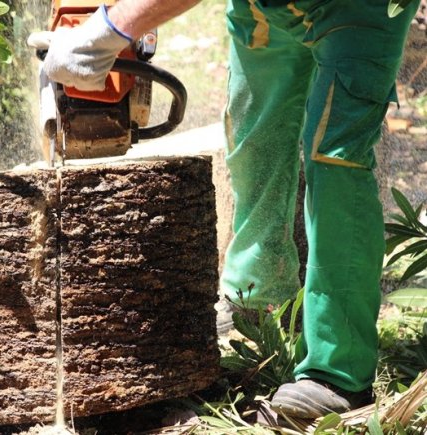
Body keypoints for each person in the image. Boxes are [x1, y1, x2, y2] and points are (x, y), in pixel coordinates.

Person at [28, 0, 420, 419]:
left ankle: (337, 372)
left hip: (356, 9)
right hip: (265, 8)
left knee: (335, 159)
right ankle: (258, 306)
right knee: (254, 137)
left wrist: (111, 27)